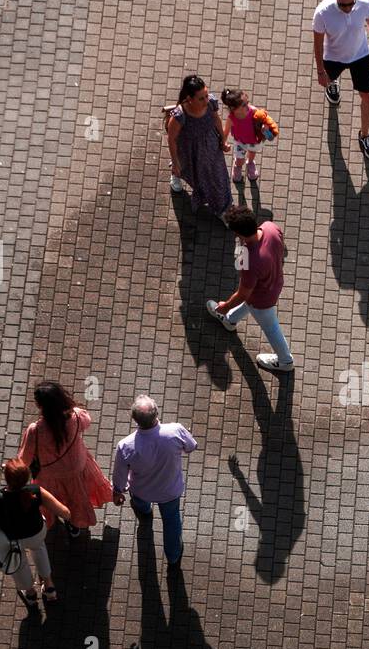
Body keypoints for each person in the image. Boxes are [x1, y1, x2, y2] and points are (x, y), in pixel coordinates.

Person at [0, 458, 73, 615]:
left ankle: (30, 593)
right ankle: (49, 586)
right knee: (40, 550)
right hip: (36, 533)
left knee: (19, 564)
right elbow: (65, 512)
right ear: (27, 477)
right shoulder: (35, 491)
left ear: (7, 479)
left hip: (13, 539)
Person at [205, 206, 296, 373]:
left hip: (261, 299)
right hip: (275, 281)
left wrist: (225, 306)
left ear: (238, 233)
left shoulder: (250, 260)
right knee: (250, 304)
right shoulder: (270, 227)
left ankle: (285, 360)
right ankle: (230, 321)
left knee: (271, 328)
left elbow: (243, 294)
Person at [112, 396, 199, 567]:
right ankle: (173, 556)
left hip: (141, 490)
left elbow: (120, 474)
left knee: (141, 504)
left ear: (135, 419)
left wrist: (118, 491)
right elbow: (191, 446)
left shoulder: (125, 445)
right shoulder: (175, 430)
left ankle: (145, 512)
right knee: (171, 521)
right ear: (156, 414)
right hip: (169, 491)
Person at [16, 382, 113, 536]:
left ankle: (52, 518)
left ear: (41, 406)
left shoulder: (35, 430)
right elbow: (87, 421)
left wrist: (12, 469)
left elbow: (25, 459)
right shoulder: (75, 416)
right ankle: (74, 524)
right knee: (76, 500)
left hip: (49, 476)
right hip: (77, 469)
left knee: (51, 501)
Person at [312, 0, 369, 162]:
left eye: (350, 4)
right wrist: (320, 71)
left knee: (368, 96)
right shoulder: (323, 13)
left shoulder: (363, 3)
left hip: (359, 56)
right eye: (342, 5)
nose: (347, 8)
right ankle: (333, 83)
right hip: (333, 57)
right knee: (329, 80)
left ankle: (365, 136)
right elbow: (318, 44)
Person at [165, 75, 233, 220]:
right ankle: (176, 174)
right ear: (190, 99)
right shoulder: (179, 115)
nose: (206, 100)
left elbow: (215, 119)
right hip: (189, 151)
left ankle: (223, 209)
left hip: (211, 146)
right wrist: (175, 162)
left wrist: (223, 140)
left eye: (206, 96)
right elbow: (172, 140)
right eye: (201, 98)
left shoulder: (210, 103)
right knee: (186, 169)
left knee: (219, 177)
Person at [220, 88, 279, 183]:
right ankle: (238, 166)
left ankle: (250, 163)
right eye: (244, 105)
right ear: (233, 109)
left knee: (252, 153)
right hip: (240, 142)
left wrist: (266, 129)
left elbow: (265, 123)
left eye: (247, 102)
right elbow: (225, 132)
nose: (248, 106)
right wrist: (223, 143)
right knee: (239, 159)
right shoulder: (231, 118)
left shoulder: (254, 112)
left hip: (254, 141)